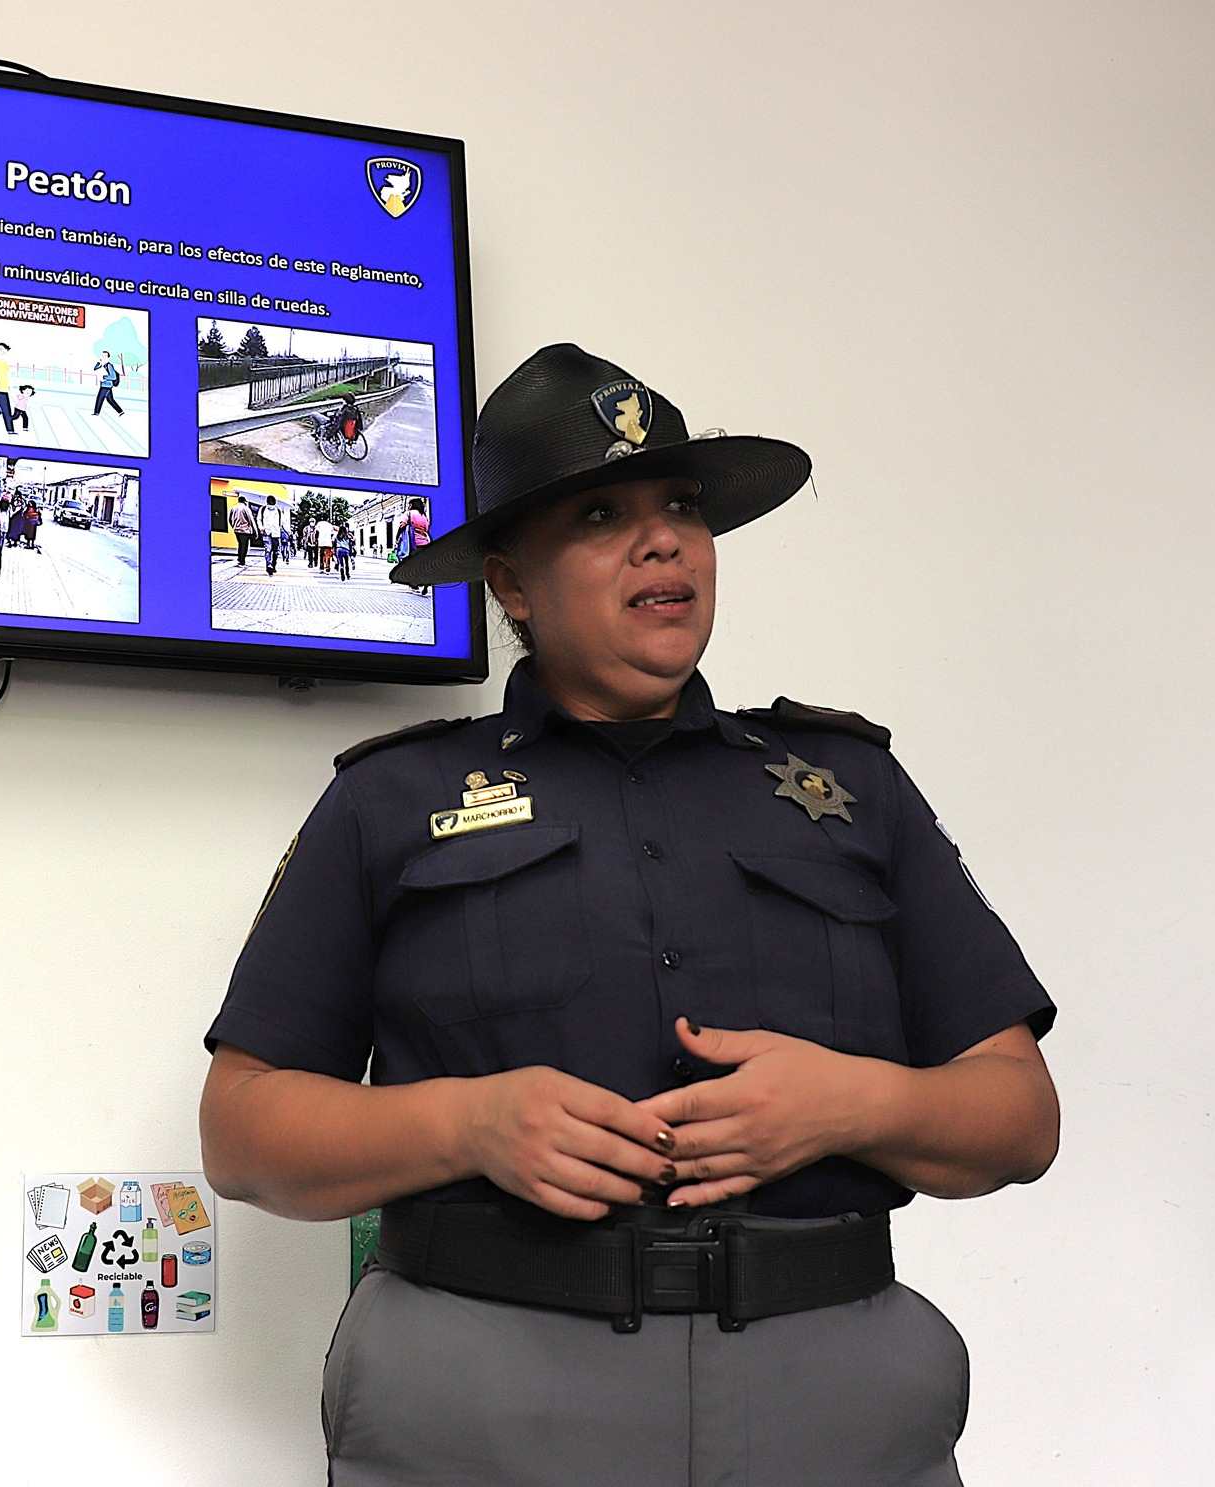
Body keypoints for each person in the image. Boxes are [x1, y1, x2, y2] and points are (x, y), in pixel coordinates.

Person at [199, 342, 1061, 1486]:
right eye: (601, 514)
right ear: (510, 584)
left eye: (681, 507)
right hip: (486, 1397)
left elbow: (1018, 1115)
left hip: (828, 1395)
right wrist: (465, 1123)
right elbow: (242, 1131)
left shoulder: (847, 785)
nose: (664, 542)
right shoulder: (389, 798)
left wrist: (848, 1102)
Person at [393, 496, 432, 597]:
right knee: (423, 564)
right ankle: (426, 582)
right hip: (425, 542)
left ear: (411, 505)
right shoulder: (424, 516)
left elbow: (402, 525)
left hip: (413, 543)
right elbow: (427, 528)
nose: (408, 506)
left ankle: (414, 585)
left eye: (409, 504)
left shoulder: (409, 513)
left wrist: (397, 538)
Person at [92, 352, 126, 417]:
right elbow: (95, 368)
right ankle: (121, 412)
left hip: (107, 385)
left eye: (105, 356)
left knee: (100, 398)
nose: (103, 357)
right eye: (102, 355)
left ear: (108, 357)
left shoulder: (109, 365)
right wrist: (99, 362)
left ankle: (96, 413)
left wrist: (104, 377)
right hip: (104, 385)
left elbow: (113, 377)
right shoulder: (102, 365)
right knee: (110, 400)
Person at [227, 497, 257, 567]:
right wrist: (255, 531)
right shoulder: (246, 508)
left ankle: (239, 559)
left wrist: (234, 526)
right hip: (245, 530)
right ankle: (242, 561)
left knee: (240, 544)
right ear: (244, 501)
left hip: (236, 530)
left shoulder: (233, 508)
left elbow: (230, 519)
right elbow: (251, 520)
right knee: (244, 546)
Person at [259, 499, 285, 576]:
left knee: (275, 552)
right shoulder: (263, 509)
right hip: (266, 533)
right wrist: (261, 527)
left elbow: (283, 522)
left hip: (276, 533)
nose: (271, 506)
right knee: (268, 549)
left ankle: (273, 565)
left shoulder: (278, 511)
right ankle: (269, 566)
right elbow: (259, 519)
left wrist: (286, 531)